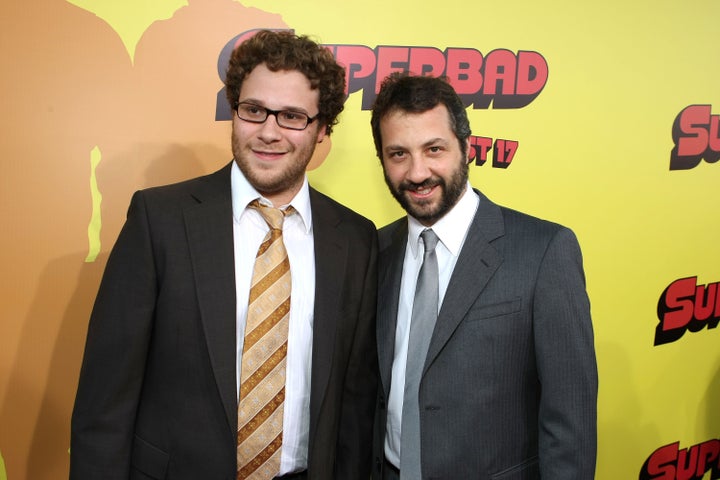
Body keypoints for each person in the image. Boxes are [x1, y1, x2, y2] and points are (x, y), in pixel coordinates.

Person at [71, 30, 378, 480]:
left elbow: (354, 406)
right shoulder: (160, 220)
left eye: (292, 116)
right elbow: (105, 405)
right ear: (234, 111)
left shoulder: (354, 239)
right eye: (254, 110)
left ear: (322, 130)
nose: (268, 132)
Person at [370, 72, 597, 480]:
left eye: (434, 149)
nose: (418, 172)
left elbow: (571, 423)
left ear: (467, 147)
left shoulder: (543, 251)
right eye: (398, 154)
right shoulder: (376, 252)